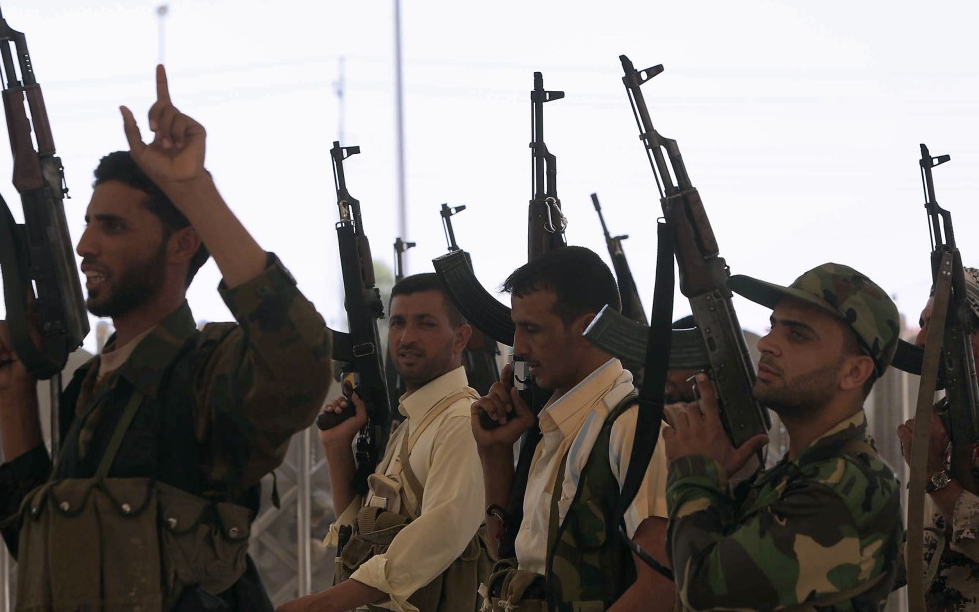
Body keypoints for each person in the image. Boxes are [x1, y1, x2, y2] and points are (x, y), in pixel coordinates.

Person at [0, 66, 333, 612]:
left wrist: (195, 190)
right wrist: (13, 393)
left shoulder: (204, 373)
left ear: (181, 243)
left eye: (113, 227)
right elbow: (46, 550)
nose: (85, 245)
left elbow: (299, 366)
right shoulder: (91, 388)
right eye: (89, 222)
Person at [664, 263, 904, 610]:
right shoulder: (801, 471)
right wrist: (721, 483)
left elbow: (702, 593)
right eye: (773, 326)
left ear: (854, 371)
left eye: (798, 335)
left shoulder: (848, 485)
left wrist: (694, 472)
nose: (767, 344)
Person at [473, 246, 675, 612]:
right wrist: (495, 452)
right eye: (516, 328)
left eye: (532, 329)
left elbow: (660, 587)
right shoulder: (556, 425)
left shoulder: (630, 429)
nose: (517, 347)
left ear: (587, 328)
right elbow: (509, 554)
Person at [277, 273, 490, 612]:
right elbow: (362, 532)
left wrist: (325, 603)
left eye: (426, 324)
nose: (407, 338)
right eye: (397, 324)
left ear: (460, 337)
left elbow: (440, 533)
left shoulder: (460, 422)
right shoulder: (415, 420)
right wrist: (336, 448)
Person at [896, 267, 979, 611]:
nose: (919, 340)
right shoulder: (948, 422)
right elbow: (926, 547)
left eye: (937, 325)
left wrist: (934, 478)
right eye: (922, 322)